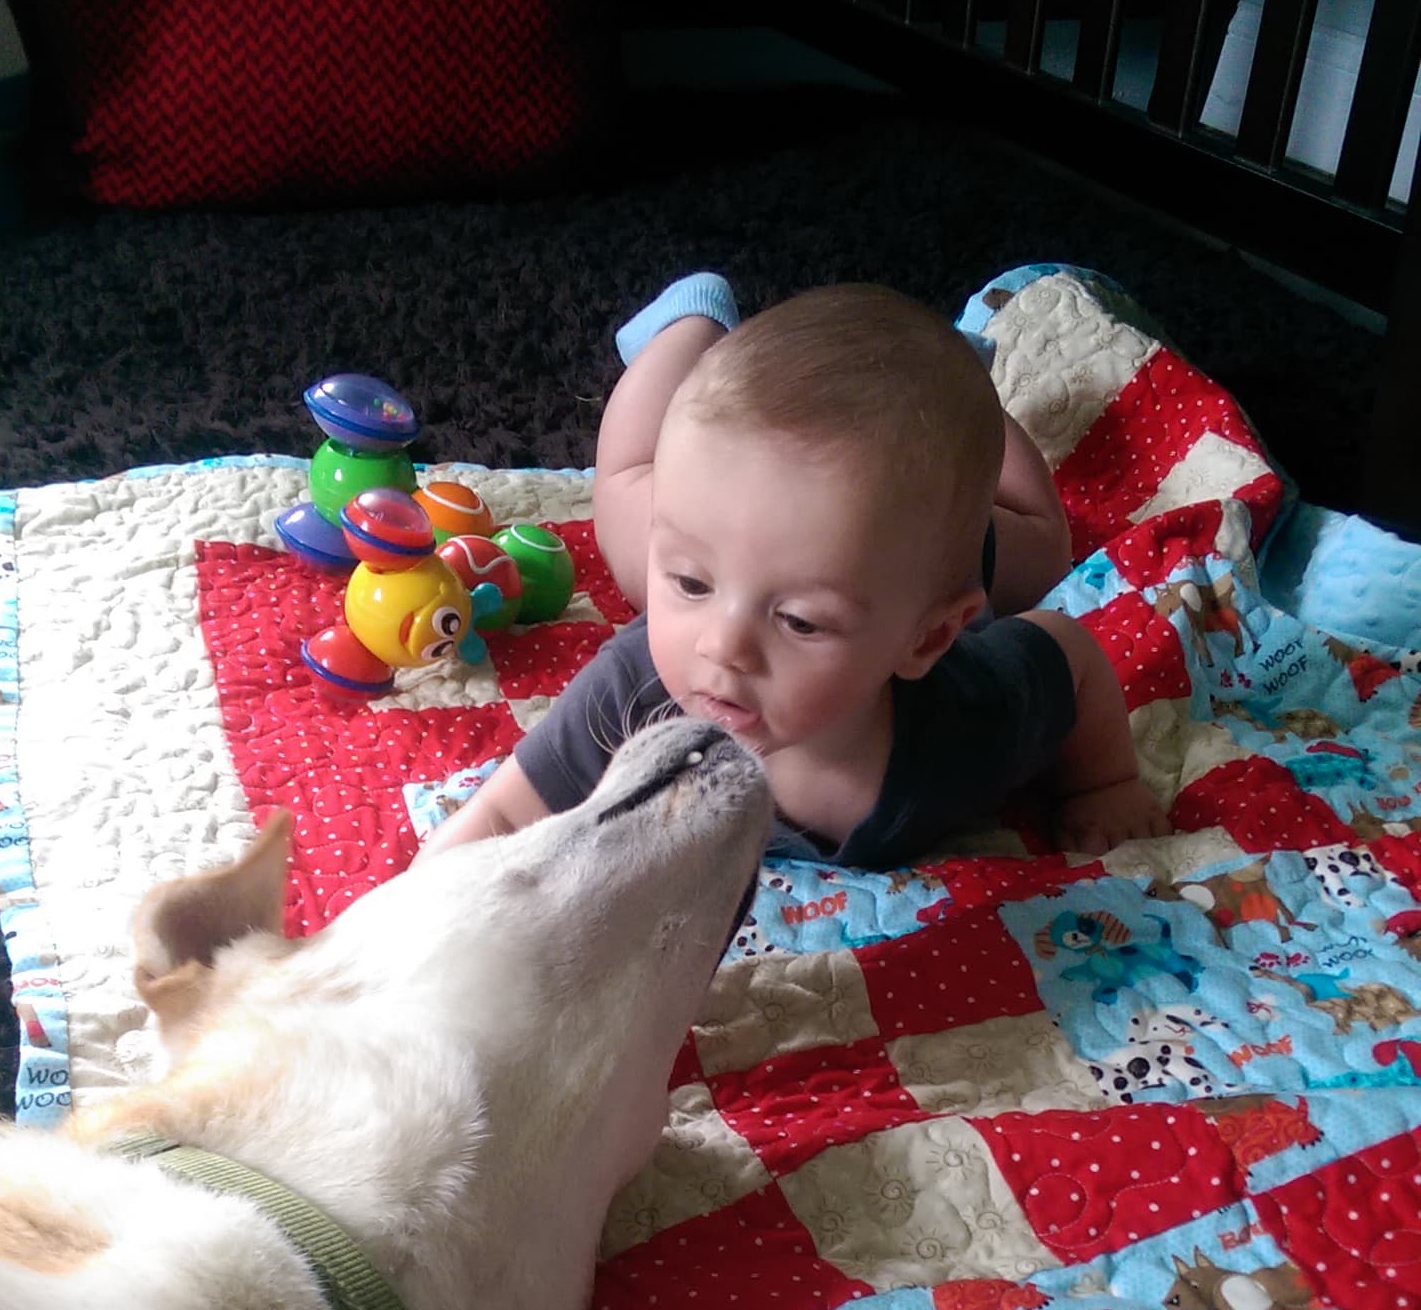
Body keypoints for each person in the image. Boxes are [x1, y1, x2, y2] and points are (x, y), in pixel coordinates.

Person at [422, 278, 1169, 868]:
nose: (723, 646)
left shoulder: (967, 726)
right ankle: (689, 324)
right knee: (626, 482)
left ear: (930, 637)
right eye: (691, 586)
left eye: (800, 621)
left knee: (1046, 549)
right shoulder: (635, 693)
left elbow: (1069, 654)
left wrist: (1105, 781)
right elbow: (497, 816)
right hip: (714, 494)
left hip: (894, 534)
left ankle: (943, 393)